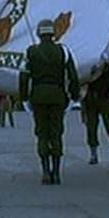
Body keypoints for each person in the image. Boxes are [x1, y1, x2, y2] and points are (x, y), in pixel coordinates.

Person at [19, 19, 80, 185]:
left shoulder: (31, 51)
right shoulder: (63, 51)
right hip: (58, 96)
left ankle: (45, 171)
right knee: (56, 133)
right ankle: (56, 172)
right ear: (53, 33)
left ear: (39, 33)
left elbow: (24, 77)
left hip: (38, 96)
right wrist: (75, 96)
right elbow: (73, 76)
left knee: (42, 133)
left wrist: (23, 97)